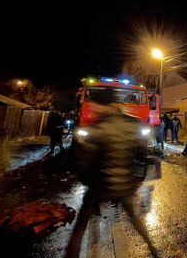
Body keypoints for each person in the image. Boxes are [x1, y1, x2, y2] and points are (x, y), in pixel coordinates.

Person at [66, 88, 159, 258]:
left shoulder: (99, 127)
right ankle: (154, 251)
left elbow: (83, 162)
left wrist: (88, 183)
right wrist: (135, 181)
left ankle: (71, 255)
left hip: (100, 187)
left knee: (80, 226)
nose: (93, 108)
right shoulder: (133, 124)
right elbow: (141, 156)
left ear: (102, 106)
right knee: (136, 221)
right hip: (124, 186)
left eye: (95, 104)